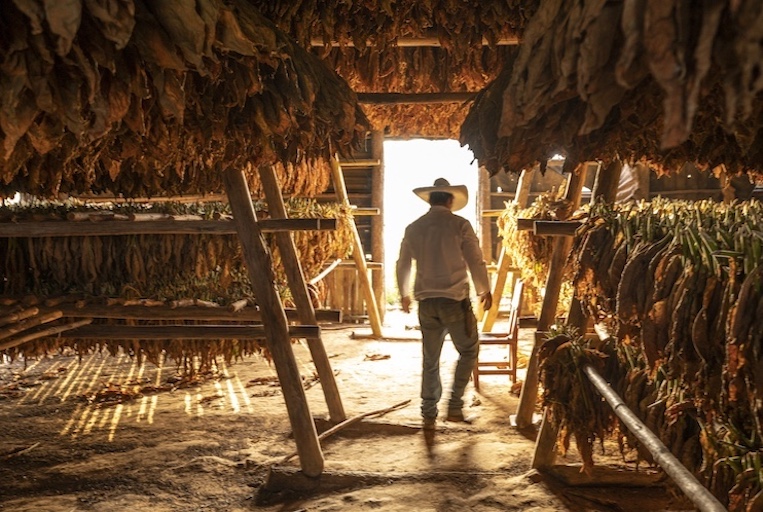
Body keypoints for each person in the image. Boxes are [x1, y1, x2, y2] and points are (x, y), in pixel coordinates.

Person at [396, 177, 492, 430]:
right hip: (454, 301)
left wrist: (403, 293)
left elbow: (403, 263)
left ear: (430, 200)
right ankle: (454, 407)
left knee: (430, 358)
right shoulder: (459, 225)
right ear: (450, 200)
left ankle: (428, 411)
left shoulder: (414, 227)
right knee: (469, 351)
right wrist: (485, 289)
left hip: (426, 302)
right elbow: (475, 260)